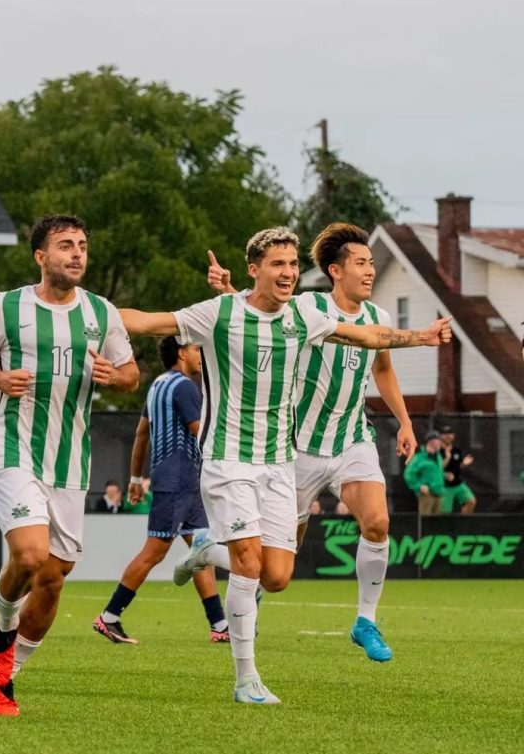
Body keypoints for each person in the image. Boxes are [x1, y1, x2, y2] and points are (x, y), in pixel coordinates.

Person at [121, 226, 450, 705]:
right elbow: (150, 322)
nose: (289, 273)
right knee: (251, 564)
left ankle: (207, 551)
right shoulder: (221, 312)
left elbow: (367, 336)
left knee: (276, 576)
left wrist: (420, 336)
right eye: (278, 264)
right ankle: (246, 679)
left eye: (293, 265)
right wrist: (92, 314)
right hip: (230, 459)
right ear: (255, 269)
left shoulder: (301, 315)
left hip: (279, 461)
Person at [0, 214, 139, 716]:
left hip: (70, 459)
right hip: (12, 446)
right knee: (30, 558)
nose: (76, 253)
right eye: (64, 246)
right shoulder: (7, 307)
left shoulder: (101, 313)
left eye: (81, 245)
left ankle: (8, 667)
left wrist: (115, 377)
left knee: (54, 578)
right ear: (41, 257)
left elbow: (131, 373)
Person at [206, 223, 420, 663]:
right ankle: (226, 569)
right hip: (297, 447)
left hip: (352, 440)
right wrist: (230, 288)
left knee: (377, 522)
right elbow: (259, 308)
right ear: (336, 271)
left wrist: (405, 422)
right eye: (361, 263)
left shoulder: (378, 317)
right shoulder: (307, 305)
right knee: (278, 564)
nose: (370, 271)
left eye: (372, 263)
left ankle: (366, 621)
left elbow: (382, 371)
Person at [94, 337, 230, 645]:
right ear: (182, 353)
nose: (199, 355)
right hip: (179, 480)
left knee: (201, 551)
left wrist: (134, 479)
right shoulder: (184, 387)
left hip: (181, 482)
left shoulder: (157, 385)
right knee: (154, 551)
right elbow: (203, 433)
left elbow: (142, 433)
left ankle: (220, 625)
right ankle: (109, 616)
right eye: (196, 349)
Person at [438, 426, 476, 514]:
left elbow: (458, 467)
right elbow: (434, 468)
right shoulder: (438, 451)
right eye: (445, 434)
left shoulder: (457, 450)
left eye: (450, 434)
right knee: (445, 512)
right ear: (440, 436)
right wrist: (445, 475)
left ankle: (462, 524)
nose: (448, 436)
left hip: (458, 484)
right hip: (445, 487)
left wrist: (464, 464)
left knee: (470, 501)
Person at [404, 433, 445, 515]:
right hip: (427, 493)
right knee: (425, 520)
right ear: (431, 442)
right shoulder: (419, 457)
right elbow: (408, 474)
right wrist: (419, 486)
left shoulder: (438, 456)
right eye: (438, 440)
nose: (440, 443)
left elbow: (436, 472)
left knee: (438, 521)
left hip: (439, 492)